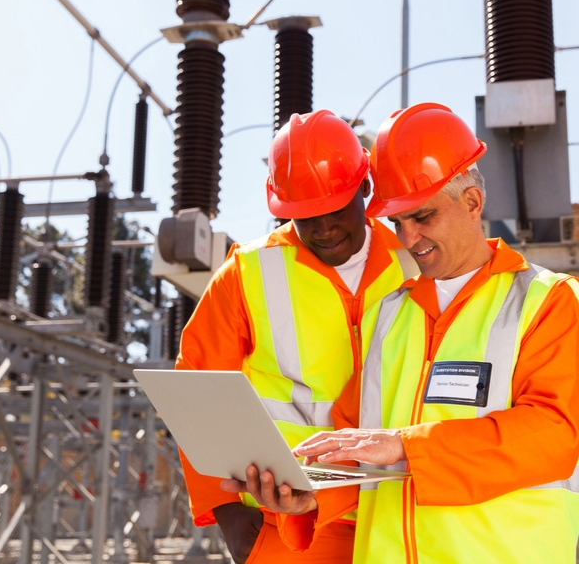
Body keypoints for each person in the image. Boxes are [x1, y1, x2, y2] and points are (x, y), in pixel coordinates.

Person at [221, 102, 579, 564]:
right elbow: (352, 441)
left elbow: (556, 434)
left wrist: (406, 446)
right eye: (396, 222)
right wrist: (312, 498)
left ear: (472, 202)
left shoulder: (551, 301)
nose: (408, 238)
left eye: (422, 216)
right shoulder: (391, 314)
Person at [175, 109, 417, 564]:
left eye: (336, 210)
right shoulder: (247, 273)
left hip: (395, 509)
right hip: (286, 519)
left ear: (365, 188)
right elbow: (196, 389)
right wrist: (226, 512)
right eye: (305, 217)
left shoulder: (415, 264)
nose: (324, 229)